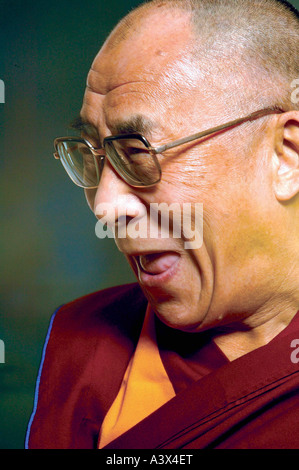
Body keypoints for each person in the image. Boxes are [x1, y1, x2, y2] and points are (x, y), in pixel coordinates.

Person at [26, 0, 299, 449]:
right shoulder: (87, 339)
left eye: (136, 152)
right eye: (95, 155)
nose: (106, 207)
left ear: (285, 155)